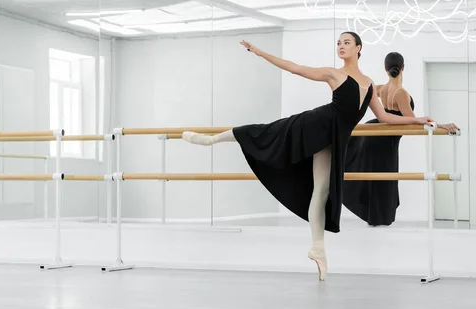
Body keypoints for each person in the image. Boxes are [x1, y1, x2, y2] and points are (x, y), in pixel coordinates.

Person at [181, 32, 435, 281]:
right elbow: (295, 68)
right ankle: (211, 139)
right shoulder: (334, 73)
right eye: (339, 43)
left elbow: (385, 117)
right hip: (312, 126)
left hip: (333, 141)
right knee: (265, 132)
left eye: (347, 42)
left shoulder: (370, 85)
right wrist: (260, 53)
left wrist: (417, 119)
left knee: (322, 192)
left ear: (359, 48)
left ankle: (318, 249)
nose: (341, 46)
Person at [343, 52, 459, 227]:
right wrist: (441, 124)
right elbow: (414, 123)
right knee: (383, 177)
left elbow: (366, 92)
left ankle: (376, 219)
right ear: (403, 67)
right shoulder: (400, 93)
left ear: (385, 69)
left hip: (378, 134)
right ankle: (379, 219)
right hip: (384, 139)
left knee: (378, 176)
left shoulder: (382, 89)